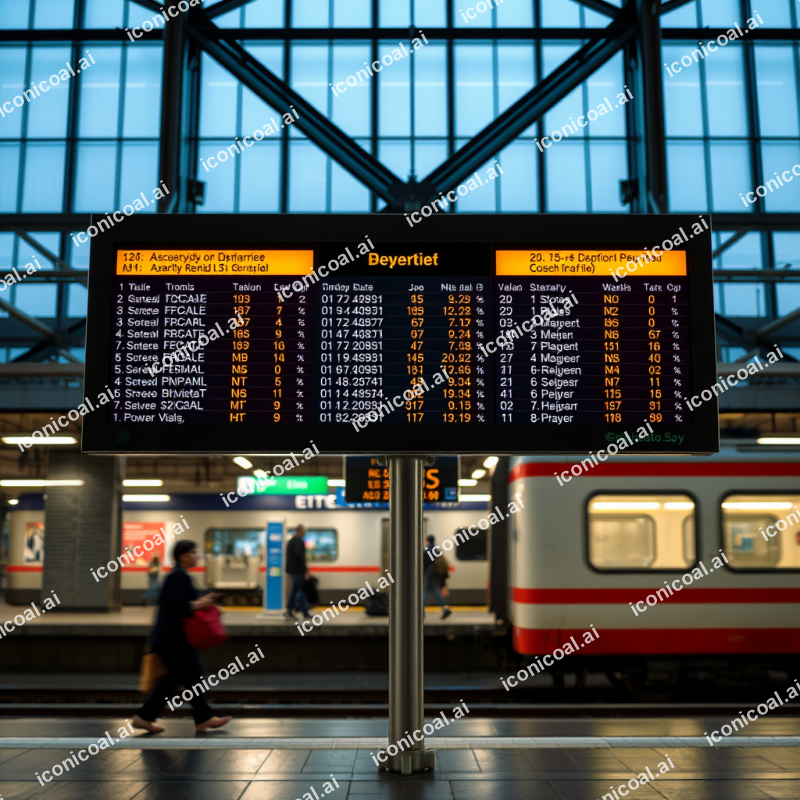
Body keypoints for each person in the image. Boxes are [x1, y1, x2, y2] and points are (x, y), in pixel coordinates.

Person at [132, 540, 231, 734]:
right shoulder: (178, 576)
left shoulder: (180, 576)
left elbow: (189, 599)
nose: (197, 556)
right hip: (173, 640)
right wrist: (200, 604)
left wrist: (209, 598)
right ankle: (201, 718)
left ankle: (146, 717)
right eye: (194, 552)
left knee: (180, 679)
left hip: (174, 639)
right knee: (190, 677)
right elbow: (177, 606)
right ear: (184, 556)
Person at [285, 524, 311, 620]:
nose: (304, 533)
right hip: (297, 571)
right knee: (298, 591)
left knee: (299, 591)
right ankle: (291, 611)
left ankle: (304, 612)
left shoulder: (292, 541)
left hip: (294, 570)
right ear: (299, 531)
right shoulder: (298, 542)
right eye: (303, 531)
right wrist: (305, 571)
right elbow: (300, 557)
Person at [423, 535, 452, 620]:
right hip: (435, 574)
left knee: (425, 592)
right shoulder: (437, 550)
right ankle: (445, 608)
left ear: (427, 541)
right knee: (435, 592)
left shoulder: (426, 551)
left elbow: (424, 564)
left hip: (429, 574)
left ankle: (420, 611)